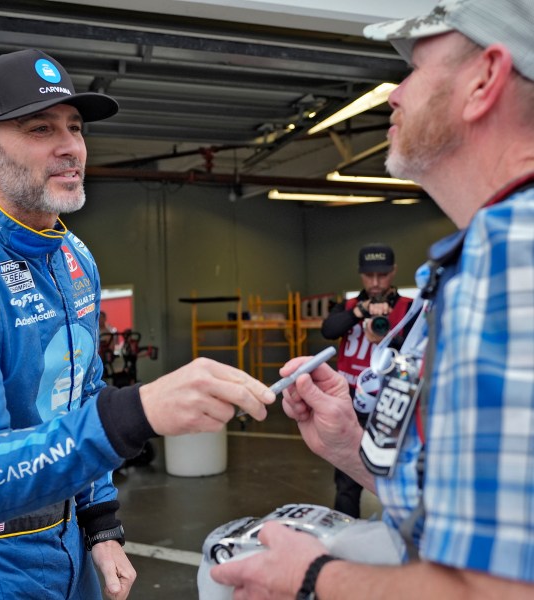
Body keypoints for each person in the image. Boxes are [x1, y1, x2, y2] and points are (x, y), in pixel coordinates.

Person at [211, 0, 534, 597]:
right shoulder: (484, 254)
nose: (393, 94)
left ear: (485, 80)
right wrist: (353, 449)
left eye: (414, 67)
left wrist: (311, 578)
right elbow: (473, 529)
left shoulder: (516, 260)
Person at [0, 48, 274, 599]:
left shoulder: (75, 258)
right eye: (41, 128)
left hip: (71, 546)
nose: (70, 147)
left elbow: (81, 393)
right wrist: (137, 412)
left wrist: (102, 527)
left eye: (75, 127)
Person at [321, 243, 412, 517]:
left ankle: (401, 541)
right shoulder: (348, 306)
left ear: (393, 272)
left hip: (392, 403)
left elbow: (419, 349)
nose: (375, 282)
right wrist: (358, 313)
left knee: (398, 477)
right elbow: (328, 330)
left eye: (382, 275)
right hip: (351, 401)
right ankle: (347, 541)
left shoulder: (409, 307)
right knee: (347, 480)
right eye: (369, 275)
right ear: (361, 274)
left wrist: (388, 339)